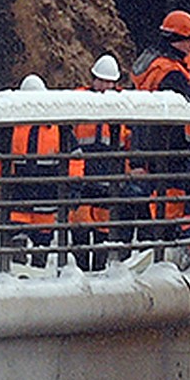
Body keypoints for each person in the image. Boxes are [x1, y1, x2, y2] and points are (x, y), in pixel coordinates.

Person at [0, 74, 68, 269]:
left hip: (43, 194)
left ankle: (35, 272)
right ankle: (19, 270)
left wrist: (73, 184)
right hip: (23, 193)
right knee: (17, 242)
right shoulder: (14, 128)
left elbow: (73, 157)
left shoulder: (57, 128)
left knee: (41, 246)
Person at [131, 10, 190, 237]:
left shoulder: (151, 63)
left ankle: (155, 242)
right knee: (171, 198)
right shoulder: (172, 74)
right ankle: (165, 243)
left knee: (155, 197)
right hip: (170, 148)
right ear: (178, 41)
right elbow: (181, 111)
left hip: (146, 145)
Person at [65, 54, 129, 270]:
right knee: (80, 228)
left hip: (107, 178)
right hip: (83, 177)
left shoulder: (122, 106)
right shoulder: (78, 101)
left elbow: (126, 143)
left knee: (102, 230)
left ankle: (99, 271)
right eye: (101, 81)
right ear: (92, 79)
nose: (104, 86)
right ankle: (81, 271)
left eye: (109, 82)